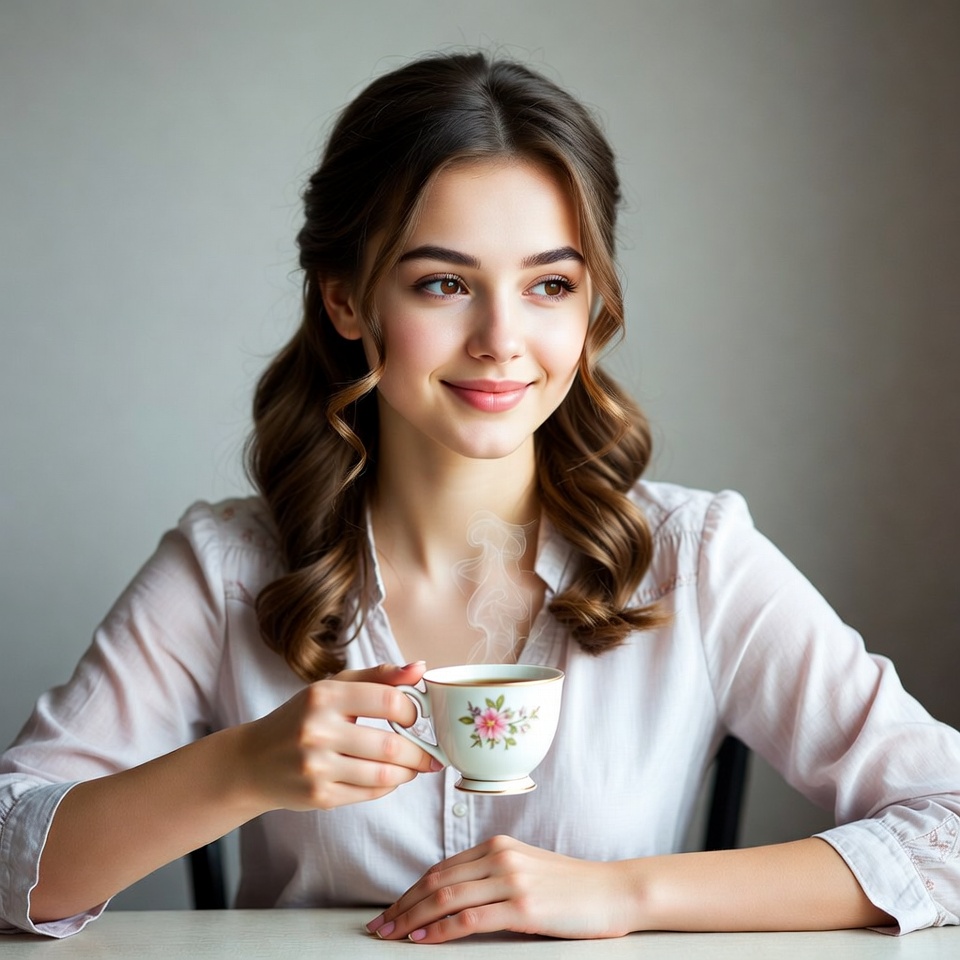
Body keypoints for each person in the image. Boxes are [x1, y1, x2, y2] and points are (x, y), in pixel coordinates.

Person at [1, 50, 959, 944]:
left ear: (593, 307)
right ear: (346, 300)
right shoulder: (224, 571)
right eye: (444, 283)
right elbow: (10, 861)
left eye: (549, 285)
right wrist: (238, 769)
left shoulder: (696, 555)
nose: (502, 339)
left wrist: (625, 894)